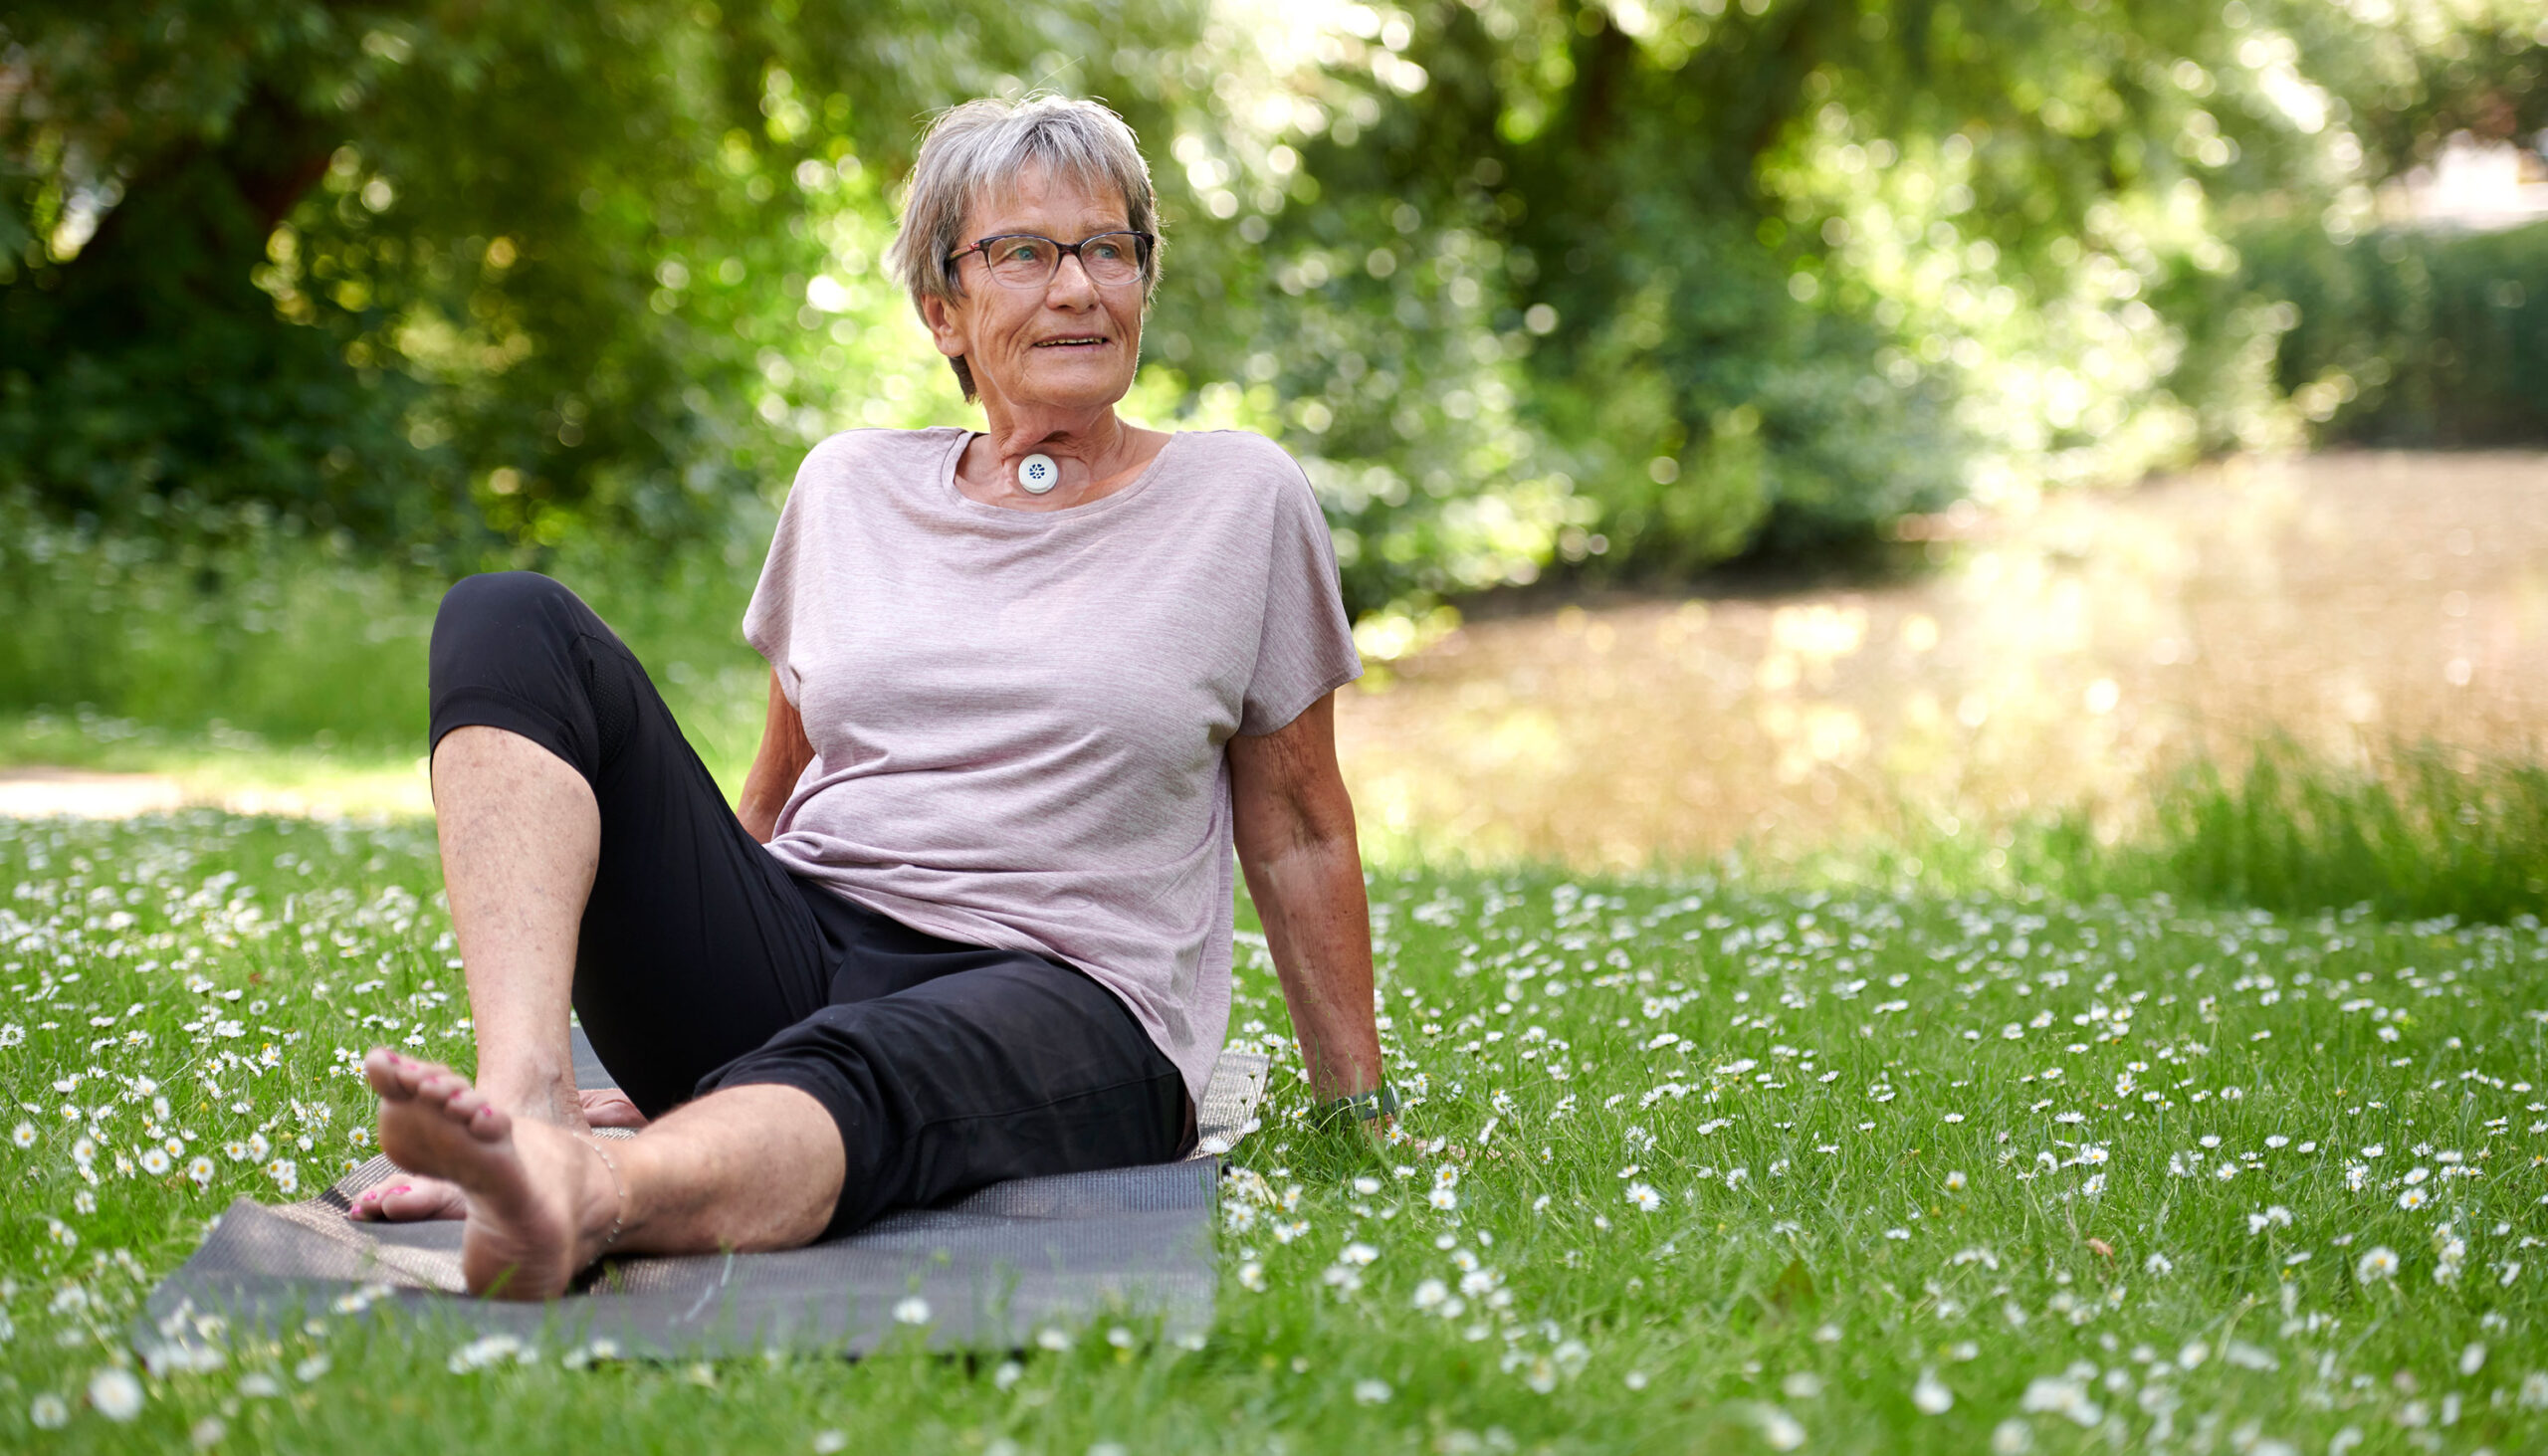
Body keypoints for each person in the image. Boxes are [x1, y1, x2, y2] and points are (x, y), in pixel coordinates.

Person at [354, 95, 1390, 1300]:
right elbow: (778, 784)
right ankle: (524, 1101)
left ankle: (585, 1194)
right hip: (810, 937)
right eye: (1024, 252)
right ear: (941, 308)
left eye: (1110, 248)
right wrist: (678, 983)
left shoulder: (1239, 498)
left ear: (1144, 283)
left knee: (869, 1063)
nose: (1078, 287)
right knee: (506, 613)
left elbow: (1303, 826)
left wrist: (1352, 1114)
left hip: (1064, 988)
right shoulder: (847, 486)